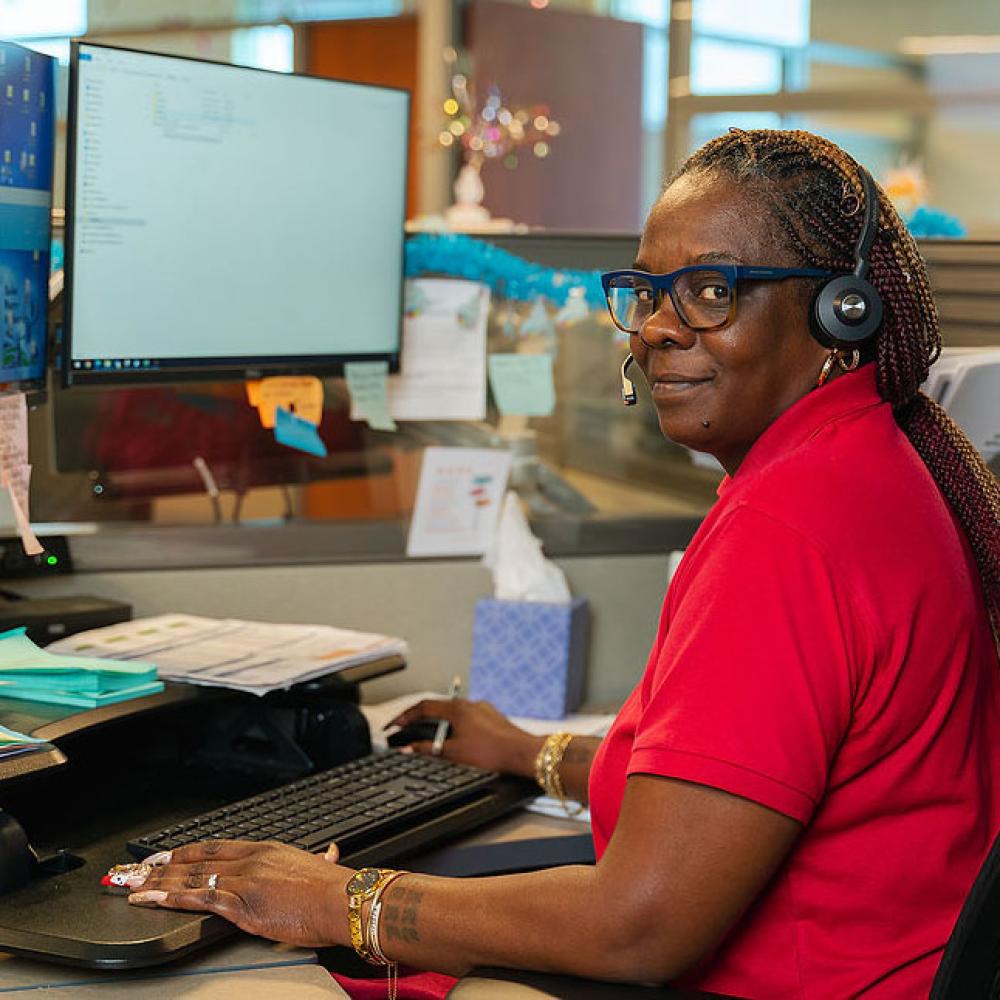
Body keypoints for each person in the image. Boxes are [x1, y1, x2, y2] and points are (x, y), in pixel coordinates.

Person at [125, 129, 1000, 999]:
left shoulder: (790, 526)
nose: (658, 328)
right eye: (648, 291)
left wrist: (344, 901)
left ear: (837, 312)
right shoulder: (871, 463)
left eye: (708, 290)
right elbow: (721, 792)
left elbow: (640, 925)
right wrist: (525, 751)